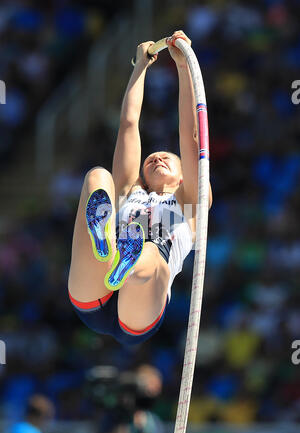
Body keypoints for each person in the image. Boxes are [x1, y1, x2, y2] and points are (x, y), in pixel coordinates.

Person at [68, 30, 213, 347]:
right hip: (95, 286)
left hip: (140, 306)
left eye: (168, 158)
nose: (159, 156)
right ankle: (106, 243)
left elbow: (190, 136)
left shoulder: (191, 202)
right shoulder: (130, 190)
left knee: (148, 250)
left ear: (184, 177)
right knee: (97, 176)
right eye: (152, 158)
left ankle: (129, 261)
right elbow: (129, 124)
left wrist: (183, 67)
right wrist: (140, 67)